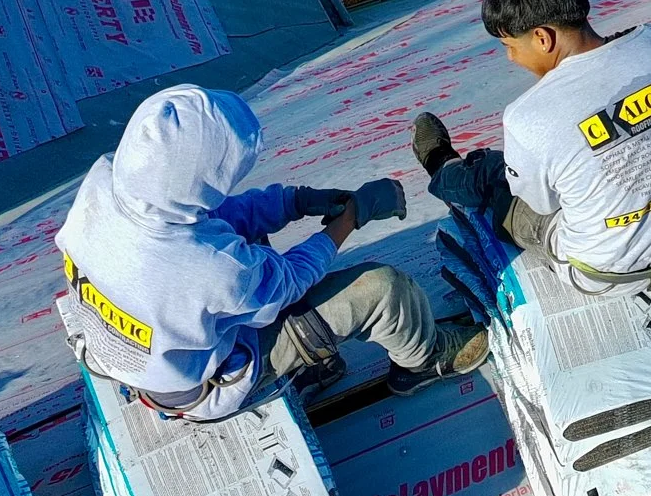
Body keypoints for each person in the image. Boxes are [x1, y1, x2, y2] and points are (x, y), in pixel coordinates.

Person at [56, 85, 487, 422]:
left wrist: (298, 201)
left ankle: (313, 362)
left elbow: (212, 214)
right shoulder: (211, 268)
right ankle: (425, 362)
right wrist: (353, 214)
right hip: (208, 383)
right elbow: (289, 278)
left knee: (244, 252)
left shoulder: (104, 186)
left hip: (128, 353)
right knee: (383, 290)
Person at [412, 0, 651, 293]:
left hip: (602, 274)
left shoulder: (527, 116)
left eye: (509, 46)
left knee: (494, 176)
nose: (510, 57)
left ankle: (442, 166)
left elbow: (544, 204)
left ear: (542, 38)